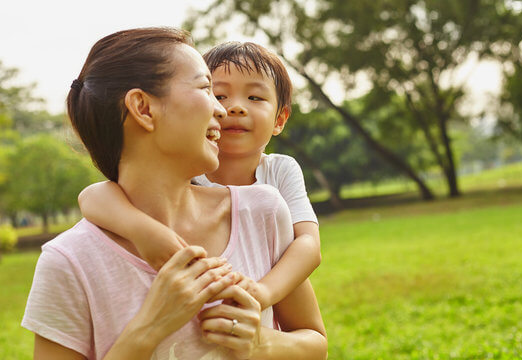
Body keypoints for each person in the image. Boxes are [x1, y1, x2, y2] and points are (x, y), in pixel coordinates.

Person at [21, 27, 327, 360]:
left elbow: (315, 344)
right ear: (143, 107)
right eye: (207, 89)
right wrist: (149, 329)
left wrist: (263, 344)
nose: (223, 111)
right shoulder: (69, 262)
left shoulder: (263, 210)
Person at [78, 41, 321, 311]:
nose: (234, 108)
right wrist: (143, 231)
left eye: (255, 98)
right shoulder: (189, 172)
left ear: (280, 119)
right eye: (217, 95)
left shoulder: (280, 170)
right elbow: (92, 196)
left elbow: (308, 243)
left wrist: (262, 293)